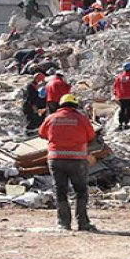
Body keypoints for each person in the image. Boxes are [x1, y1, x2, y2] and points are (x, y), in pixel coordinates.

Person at [39, 93, 97, 231]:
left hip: (56, 159)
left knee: (60, 191)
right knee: (81, 191)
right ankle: (83, 223)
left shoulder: (51, 118)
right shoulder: (81, 119)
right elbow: (91, 136)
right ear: (75, 105)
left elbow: (42, 133)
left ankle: (63, 223)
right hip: (77, 160)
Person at [113, 62, 130, 130]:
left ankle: (120, 124)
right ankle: (126, 124)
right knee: (129, 110)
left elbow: (116, 86)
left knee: (122, 109)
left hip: (122, 96)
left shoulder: (119, 77)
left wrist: (116, 94)